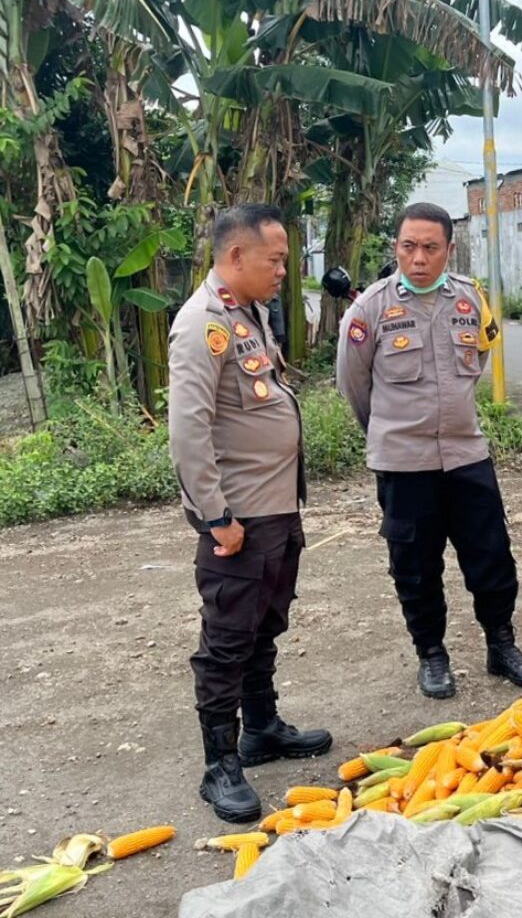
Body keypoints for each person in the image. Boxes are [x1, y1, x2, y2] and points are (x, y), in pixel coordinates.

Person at [168, 204, 332, 824]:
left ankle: (261, 727)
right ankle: (220, 764)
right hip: (239, 517)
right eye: (276, 259)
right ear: (236, 256)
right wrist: (216, 517)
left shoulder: (249, 313)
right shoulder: (202, 323)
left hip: (276, 508)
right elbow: (189, 432)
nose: (284, 270)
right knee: (227, 639)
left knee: (265, 623)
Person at [336, 202, 522, 699]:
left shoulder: (470, 299)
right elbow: (354, 385)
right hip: (404, 464)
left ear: (450, 248)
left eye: (430, 247)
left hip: (467, 455)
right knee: (416, 566)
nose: (419, 258)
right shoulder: (370, 309)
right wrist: (388, 431)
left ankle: (501, 645)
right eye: (409, 247)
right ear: (396, 248)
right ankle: (432, 655)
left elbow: (480, 354)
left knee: (492, 556)